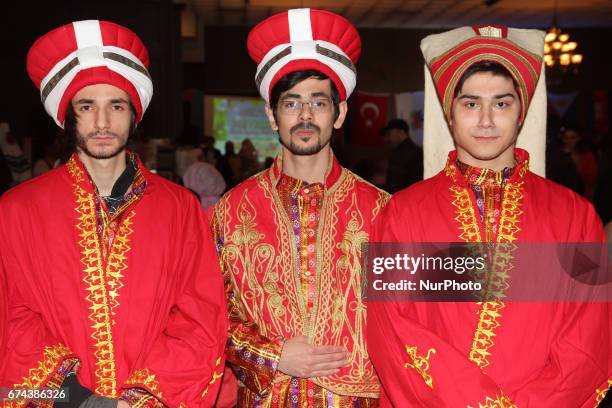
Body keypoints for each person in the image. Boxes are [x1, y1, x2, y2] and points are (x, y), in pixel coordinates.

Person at [367, 26, 610, 407]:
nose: (485, 120)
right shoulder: (400, 213)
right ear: (450, 113)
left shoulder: (576, 216)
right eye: (470, 104)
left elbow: (592, 331)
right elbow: (387, 326)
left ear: (521, 112)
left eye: (501, 103)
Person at [0, 20, 227, 407]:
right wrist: (80, 400)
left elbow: (200, 318)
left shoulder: (180, 208)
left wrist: (140, 401)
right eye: (87, 106)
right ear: (68, 117)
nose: (102, 122)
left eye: (116, 106)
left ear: (134, 115)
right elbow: (12, 320)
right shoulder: (18, 210)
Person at [211, 8, 389, 406]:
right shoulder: (231, 210)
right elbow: (206, 315)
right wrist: (272, 355)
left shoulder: (380, 210)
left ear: (339, 114)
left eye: (318, 103)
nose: (305, 115)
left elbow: (411, 318)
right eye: (291, 103)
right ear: (272, 116)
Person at [379, 118, 423, 192]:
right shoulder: (415, 151)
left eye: (389, 134)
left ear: (401, 133)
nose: (386, 139)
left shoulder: (402, 154)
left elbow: (395, 187)